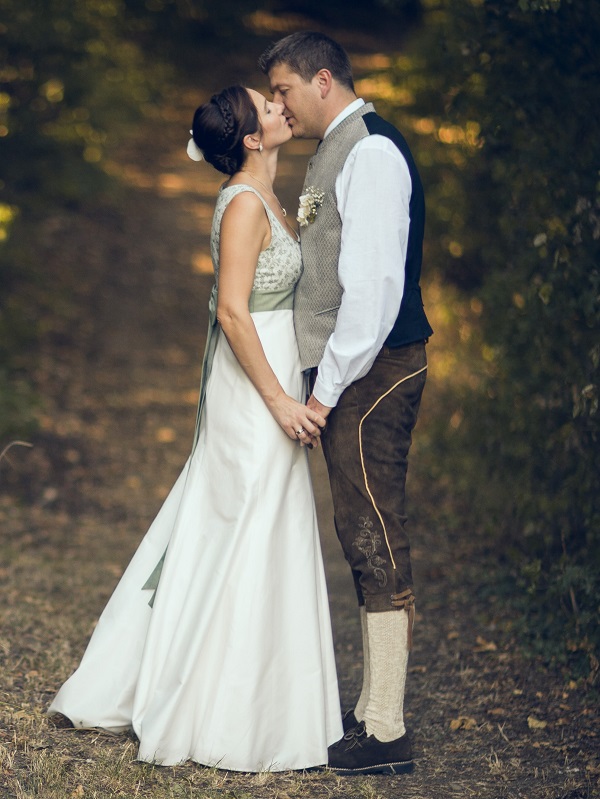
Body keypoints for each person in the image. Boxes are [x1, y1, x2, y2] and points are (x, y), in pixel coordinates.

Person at [47, 85, 343, 772]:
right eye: (265, 106)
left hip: (273, 379)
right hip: (251, 389)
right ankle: (213, 705)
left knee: (267, 524)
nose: (278, 106)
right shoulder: (242, 205)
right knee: (246, 519)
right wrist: (278, 400)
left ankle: (266, 700)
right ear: (249, 138)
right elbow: (236, 314)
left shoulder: (269, 193)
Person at [259, 32, 433, 776]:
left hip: (375, 370)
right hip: (352, 371)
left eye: (285, 89)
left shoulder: (373, 152)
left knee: (372, 531)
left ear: (322, 79)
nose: (279, 104)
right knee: (357, 526)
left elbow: (372, 296)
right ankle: (371, 713)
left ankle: (387, 727)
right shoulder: (337, 147)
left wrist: (325, 393)